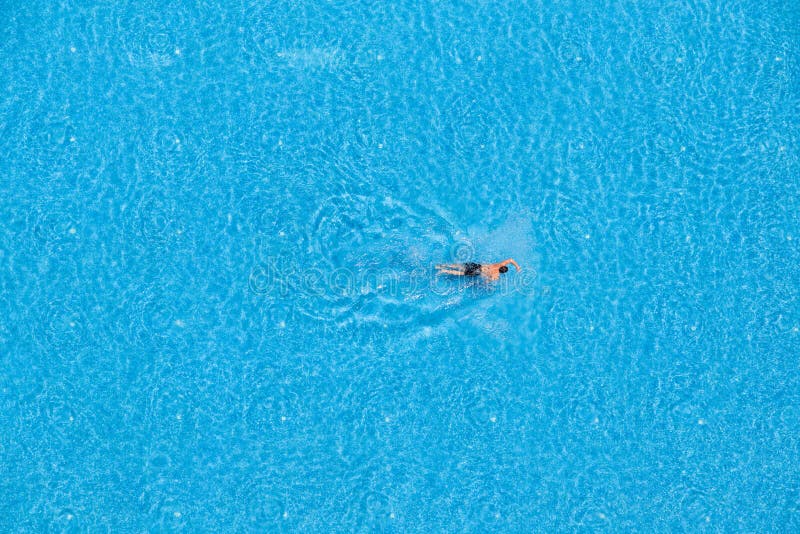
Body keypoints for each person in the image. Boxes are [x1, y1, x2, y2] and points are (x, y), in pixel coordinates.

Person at [436, 258, 520, 281]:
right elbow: (487, 281)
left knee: (458, 266)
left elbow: (511, 260)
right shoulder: (496, 275)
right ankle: (445, 271)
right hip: (477, 272)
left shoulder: (499, 264)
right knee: (460, 273)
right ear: (502, 273)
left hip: (477, 266)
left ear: (502, 266)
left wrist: (517, 267)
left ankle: (440, 266)